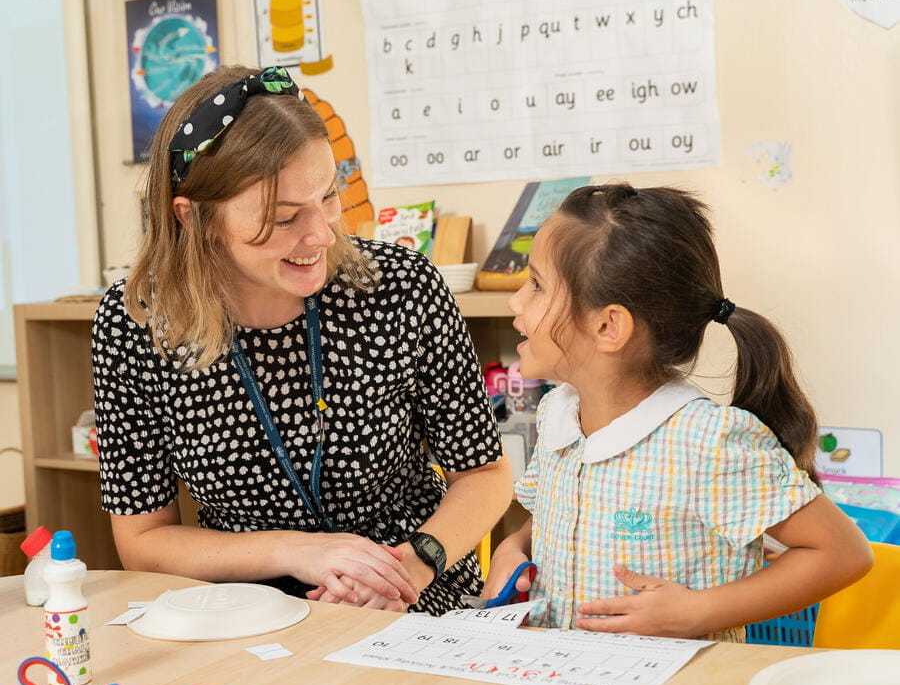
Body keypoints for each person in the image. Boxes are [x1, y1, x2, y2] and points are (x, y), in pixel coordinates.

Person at [92, 65, 511, 614]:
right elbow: (142, 542)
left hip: (409, 596)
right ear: (193, 219)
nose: (320, 234)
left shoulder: (401, 288)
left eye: (328, 197)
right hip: (246, 613)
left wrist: (405, 568)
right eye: (284, 217)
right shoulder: (137, 322)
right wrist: (297, 552)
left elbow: (483, 474)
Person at [484, 183, 873, 640]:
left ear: (609, 326)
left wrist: (698, 612)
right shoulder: (558, 413)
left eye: (537, 285)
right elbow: (560, 512)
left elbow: (844, 554)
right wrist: (515, 545)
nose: (515, 301)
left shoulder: (707, 441)